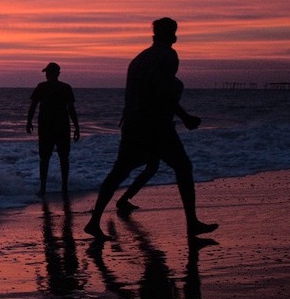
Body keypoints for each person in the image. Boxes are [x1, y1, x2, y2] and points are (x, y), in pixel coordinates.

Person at [83, 18, 218, 239]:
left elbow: (138, 93)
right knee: (183, 167)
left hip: (132, 124)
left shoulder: (139, 59)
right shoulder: (167, 56)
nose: (176, 36)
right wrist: (185, 117)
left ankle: (94, 220)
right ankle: (192, 223)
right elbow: (161, 92)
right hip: (155, 125)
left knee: (119, 172)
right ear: (171, 35)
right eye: (174, 32)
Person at [115, 78, 201, 212]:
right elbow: (168, 103)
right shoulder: (171, 84)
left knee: (149, 167)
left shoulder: (150, 83)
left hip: (148, 129)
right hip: (156, 131)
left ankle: (122, 200)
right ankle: (118, 201)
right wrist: (185, 118)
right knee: (172, 166)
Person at [26, 62, 80, 196]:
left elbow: (33, 106)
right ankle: (63, 187)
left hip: (47, 127)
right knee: (62, 158)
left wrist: (28, 121)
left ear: (51, 74)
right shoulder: (65, 88)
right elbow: (71, 109)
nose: (46, 75)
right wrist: (77, 127)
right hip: (61, 126)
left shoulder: (42, 87)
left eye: (47, 73)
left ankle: (44, 188)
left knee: (46, 158)